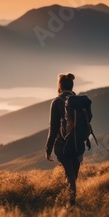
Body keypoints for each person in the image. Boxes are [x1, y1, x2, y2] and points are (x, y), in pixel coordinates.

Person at [45, 73, 81, 207]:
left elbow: (53, 128)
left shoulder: (56, 102)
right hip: (78, 144)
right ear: (72, 85)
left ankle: (70, 204)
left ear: (59, 86)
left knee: (70, 176)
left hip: (62, 145)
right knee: (72, 175)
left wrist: (48, 150)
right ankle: (70, 200)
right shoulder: (79, 100)